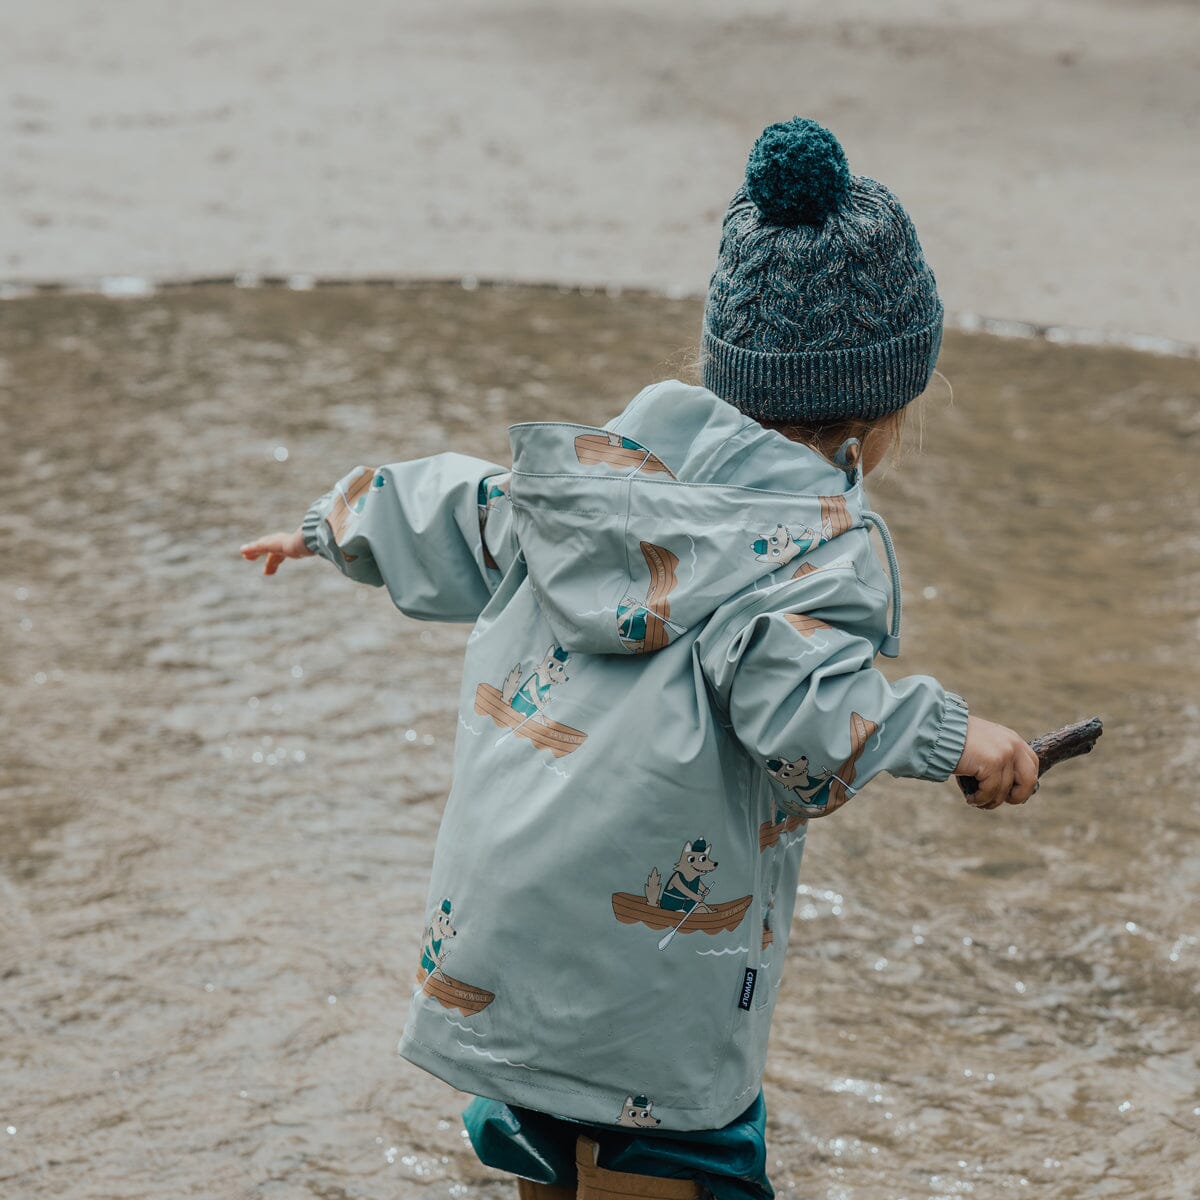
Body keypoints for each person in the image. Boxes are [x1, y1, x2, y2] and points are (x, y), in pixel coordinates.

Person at [241, 117, 1040, 1200]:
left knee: (546, 1164)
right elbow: (804, 711)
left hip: (504, 954)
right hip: (649, 1002)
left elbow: (446, 504)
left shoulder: (578, 491)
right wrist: (952, 734)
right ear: (881, 412)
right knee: (664, 1162)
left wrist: (331, 523)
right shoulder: (819, 554)